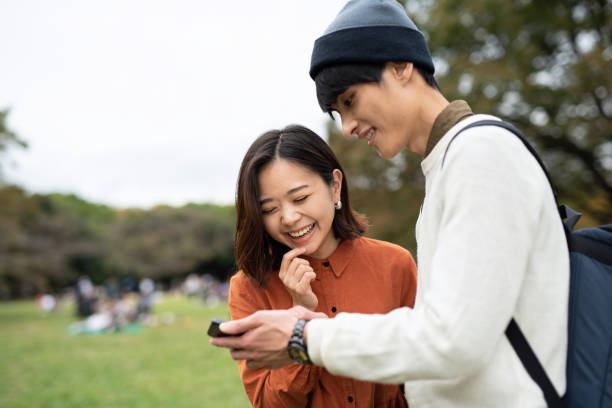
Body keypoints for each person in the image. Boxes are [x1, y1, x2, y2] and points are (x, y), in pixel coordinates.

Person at [211, 1, 570, 406]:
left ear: (401, 67)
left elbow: (452, 340)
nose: (345, 128)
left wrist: (304, 336)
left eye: (349, 101)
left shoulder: (480, 152)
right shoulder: (448, 166)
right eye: (336, 112)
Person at [227, 124, 417, 407]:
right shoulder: (248, 287)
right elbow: (268, 402)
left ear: (335, 186)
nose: (289, 217)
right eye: (269, 209)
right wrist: (300, 317)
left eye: (300, 198)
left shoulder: (395, 265)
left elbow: (423, 372)